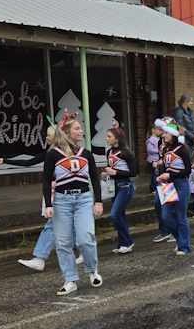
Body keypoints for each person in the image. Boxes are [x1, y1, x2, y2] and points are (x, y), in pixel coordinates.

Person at [42, 114, 103, 295]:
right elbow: (46, 181)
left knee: (86, 238)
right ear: (67, 132)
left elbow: (95, 179)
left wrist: (98, 201)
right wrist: (48, 204)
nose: (81, 131)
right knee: (63, 243)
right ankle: (70, 279)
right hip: (61, 201)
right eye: (77, 128)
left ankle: (92, 270)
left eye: (81, 128)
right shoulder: (52, 154)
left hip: (84, 199)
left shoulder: (86, 154)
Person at [15, 126, 83, 272]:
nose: (46, 138)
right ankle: (41, 258)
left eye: (49, 135)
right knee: (56, 225)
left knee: (58, 225)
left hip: (73, 194)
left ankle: (42, 258)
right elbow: (29, 163)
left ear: (57, 137)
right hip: (58, 195)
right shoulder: (50, 154)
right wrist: (3, 160)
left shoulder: (72, 152)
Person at [154, 118, 192, 255]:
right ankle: (179, 239)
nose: (163, 135)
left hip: (181, 185)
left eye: (166, 133)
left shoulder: (182, 149)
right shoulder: (165, 149)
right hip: (168, 186)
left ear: (173, 134)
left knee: (181, 216)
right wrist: (161, 176)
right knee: (166, 216)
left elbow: (188, 170)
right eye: (163, 133)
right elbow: (166, 168)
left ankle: (184, 246)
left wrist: (170, 175)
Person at [102, 125, 137, 254]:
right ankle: (123, 243)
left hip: (125, 186)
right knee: (120, 215)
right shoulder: (109, 152)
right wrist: (107, 173)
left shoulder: (127, 152)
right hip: (113, 186)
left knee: (114, 214)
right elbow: (110, 166)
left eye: (109, 136)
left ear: (117, 138)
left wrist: (115, 172)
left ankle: (128, 241)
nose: (107, 139)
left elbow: (133, 172)